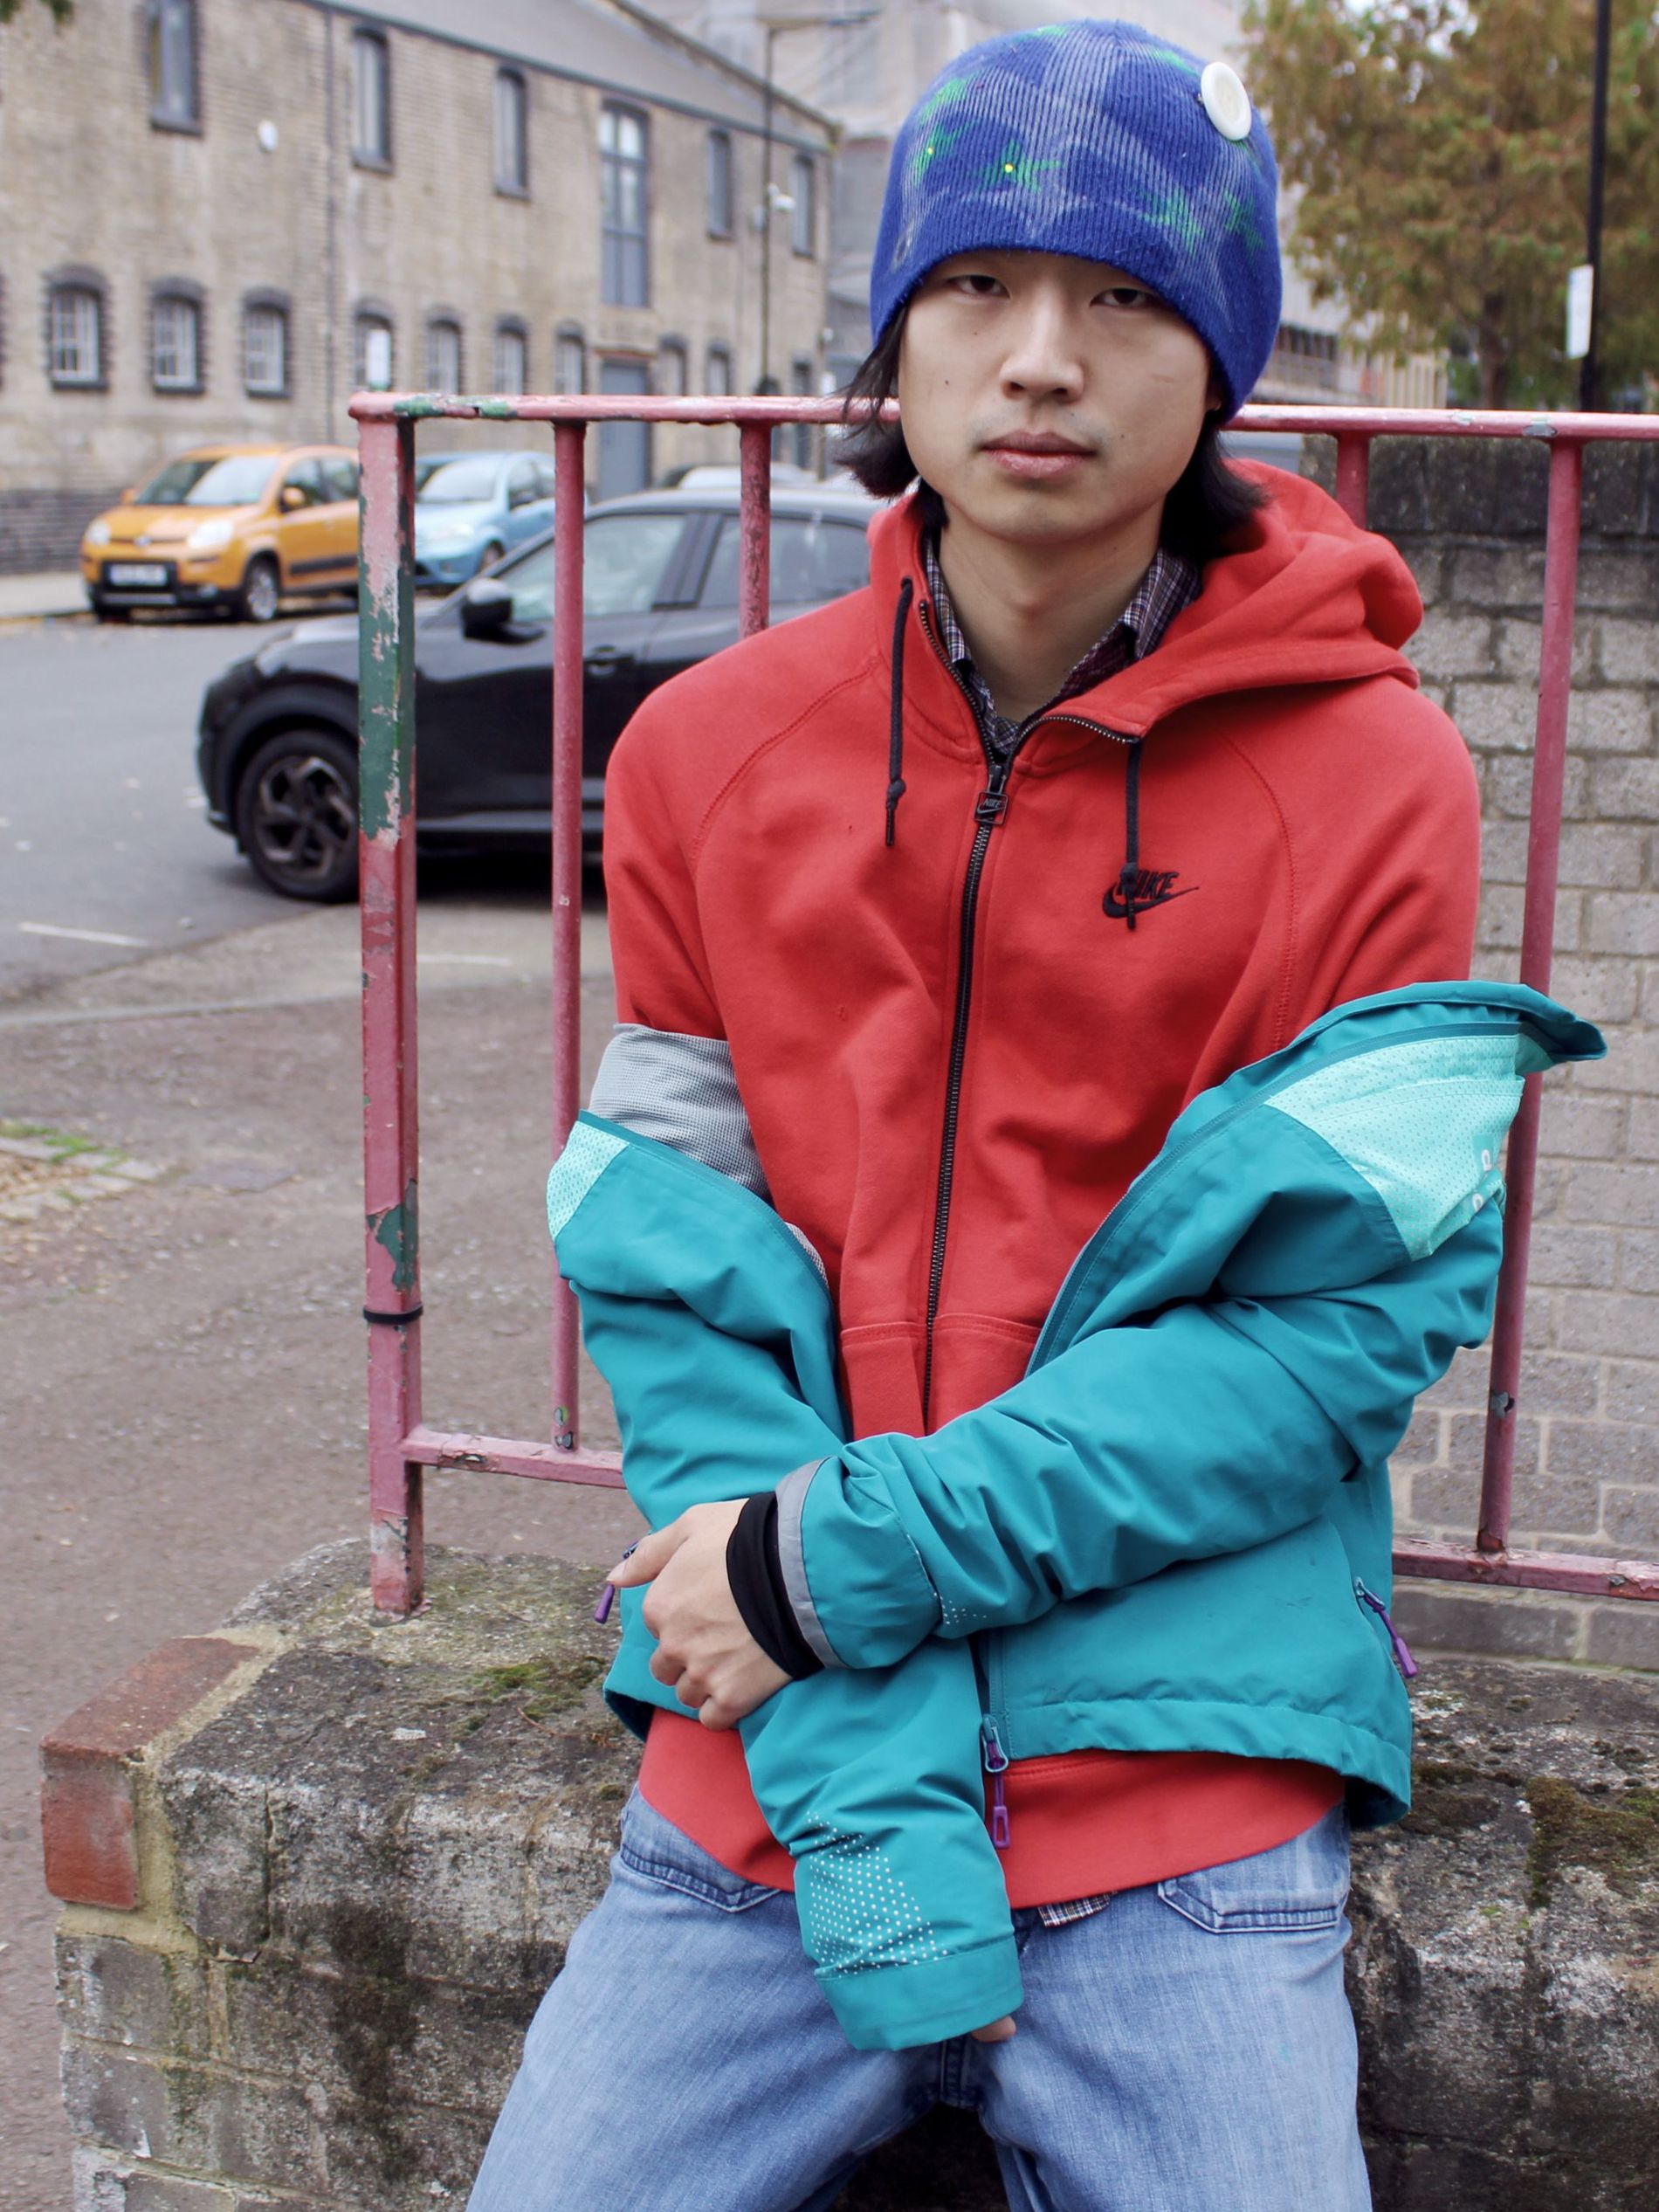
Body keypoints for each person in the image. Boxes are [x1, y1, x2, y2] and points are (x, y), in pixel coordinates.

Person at [467, 20, 1597, 2210]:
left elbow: (1318, 1342)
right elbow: (671, 1270)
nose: (1040, 361)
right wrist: (846, 1753)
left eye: (1127, 295)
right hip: (770, 1778)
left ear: (1222, 361)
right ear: (890, 341)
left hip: (1176, 1787)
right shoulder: (705, 756)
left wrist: (835, 1565)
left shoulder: (1379, 787)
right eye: (974, 286)